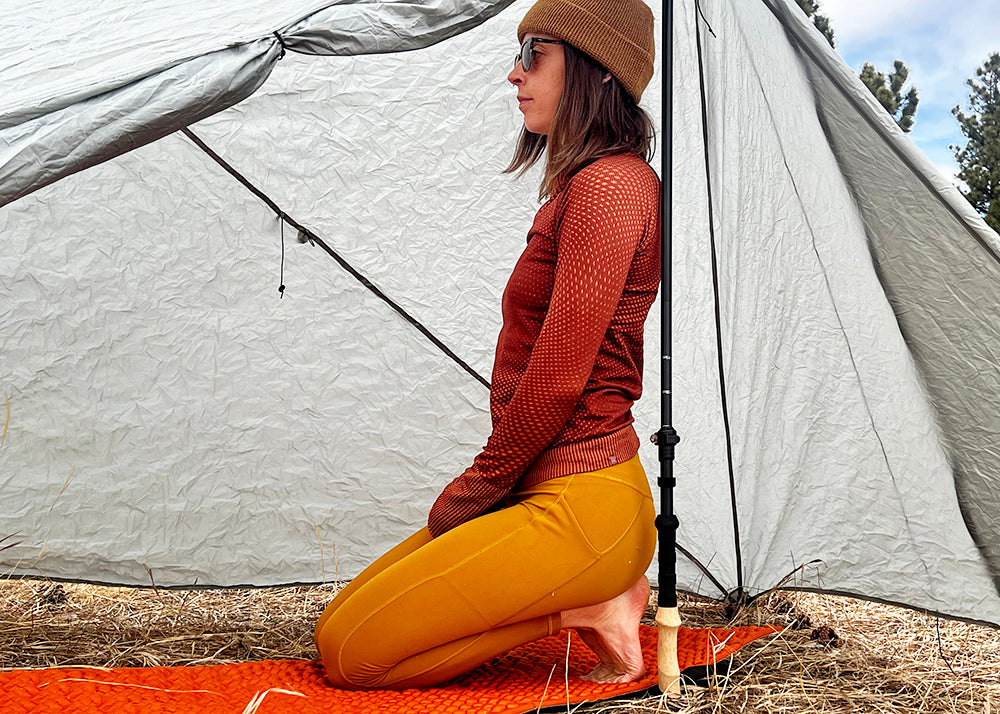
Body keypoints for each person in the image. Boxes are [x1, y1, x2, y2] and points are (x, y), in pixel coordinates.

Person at [313, 0, 661, 690]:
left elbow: (559, 378)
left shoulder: (613, 187)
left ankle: (589, 606)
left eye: (535, 53)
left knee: (358, 659)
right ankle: (591, 597)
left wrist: (476, 490)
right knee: (334, 631)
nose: (514, 73)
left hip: (587, 504)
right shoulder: (582, 188)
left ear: (593, 68)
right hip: (542, 490)